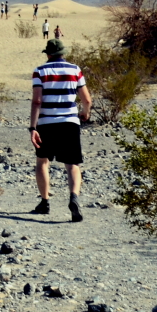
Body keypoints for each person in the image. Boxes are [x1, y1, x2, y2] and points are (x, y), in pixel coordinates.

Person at [31, 38, 91, 222]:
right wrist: (84, 113)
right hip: (69, 122)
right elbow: (87, 99)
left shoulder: (40, 71)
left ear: (48, 54)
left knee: (42, 162)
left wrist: (32, 127)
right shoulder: (75, 70)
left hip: (46, 123)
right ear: (63, 52)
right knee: (72, 164)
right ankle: (74, 197)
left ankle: (44, 201)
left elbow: (37, 101)